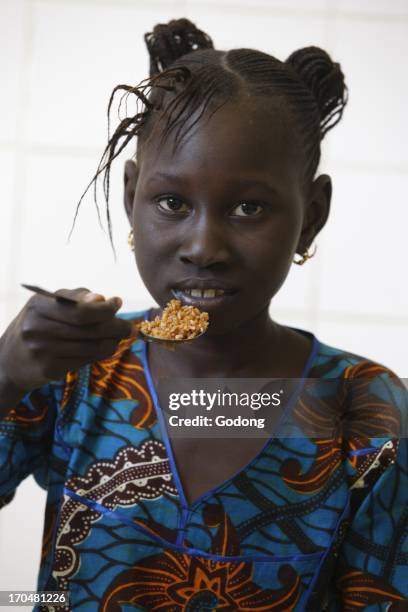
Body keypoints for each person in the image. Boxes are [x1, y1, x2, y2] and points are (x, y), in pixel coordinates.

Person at [0, 17, 406, 612]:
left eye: (248, 207)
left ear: (311, 215)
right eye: (171, 202)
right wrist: (5, 377)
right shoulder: (75, 369)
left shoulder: (369, 416)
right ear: (131, 197)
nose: (203, 247)